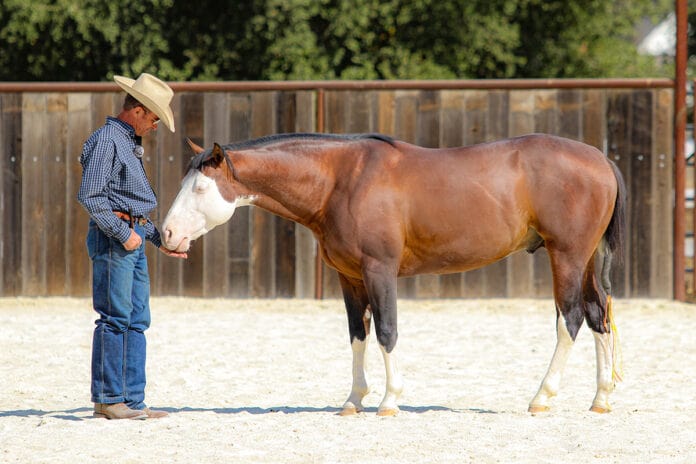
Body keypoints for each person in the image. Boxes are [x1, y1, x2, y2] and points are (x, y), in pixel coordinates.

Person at [77, 73, 187, 420]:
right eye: (154, 118)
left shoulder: (125, 141)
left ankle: (132, 401)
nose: (155, 126)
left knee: (137, 319)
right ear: (138, 111)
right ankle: (110, 399)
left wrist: (157, 241)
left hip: (131, 238)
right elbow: (91, 197)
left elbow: (130, 203)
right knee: (115, 318)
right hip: (116, 240)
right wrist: (123, 234)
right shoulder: (109, 140)